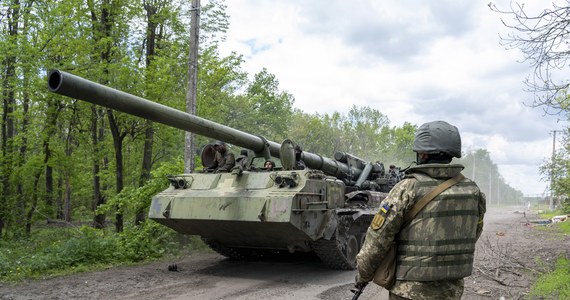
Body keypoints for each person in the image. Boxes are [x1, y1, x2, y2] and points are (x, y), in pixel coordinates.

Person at [355, 120, 486, 300]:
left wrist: (363, 274)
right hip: (451, 290)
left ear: (423, 153)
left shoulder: (407, 188)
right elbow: (473, 233)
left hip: (409, 291)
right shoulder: (473, 191)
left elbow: (377, 240)